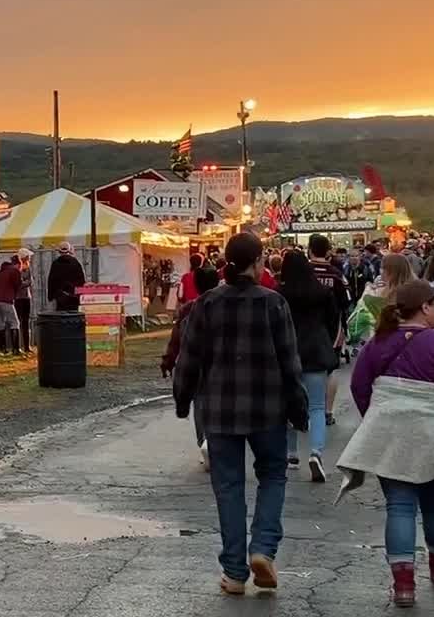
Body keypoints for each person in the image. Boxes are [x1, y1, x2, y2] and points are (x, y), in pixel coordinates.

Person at [174, 232, 304, 596]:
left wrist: (183, 401)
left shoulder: (207, 305)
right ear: (259, 261)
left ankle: (234, 572)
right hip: (267, 408)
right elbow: (290, 363)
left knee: (229, 487)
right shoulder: (274, 304)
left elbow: (190, 359)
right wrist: (299, 408)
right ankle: (262, 548)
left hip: (219, 410)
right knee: (273, 476)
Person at [337, 281, 434, 609]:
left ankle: (403, 585)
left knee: (399, 506)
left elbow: (360, 385)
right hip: (433, 436)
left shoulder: (378, 343)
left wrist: (376, 417)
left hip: (390, 434)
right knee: (433, 501)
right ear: (425, 307)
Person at [277, 251, 339, 482]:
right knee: (316, 406)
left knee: (289, 404)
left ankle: (291, 454)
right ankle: (316, 453)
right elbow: (333, 321)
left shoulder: (279, 293)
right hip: (316, 350)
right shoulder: (322, 293)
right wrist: (328, 343)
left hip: (288, 351)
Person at [161, 266, 222, 469]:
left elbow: (176, 340)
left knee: (199, 402)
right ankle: (215, 441)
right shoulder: (225, 306)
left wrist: (168, 361)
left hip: (194, 361)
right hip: (220, 362)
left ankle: (203, 440)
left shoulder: (188, 309)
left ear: (195, 284)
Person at [308, 234, 350, 426]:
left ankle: (308, 408)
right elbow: (346, 301)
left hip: (305, 326)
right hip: (332, 327)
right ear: (327, 252)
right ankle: (327, 411)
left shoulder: (303, 273)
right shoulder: (336, 274)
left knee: (304, 368)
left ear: (309, 249)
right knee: (331, 369)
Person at [0, 257, 23, 355]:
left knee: (0, 324)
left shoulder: (1, 272)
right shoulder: (14, 271)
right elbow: (18, 284)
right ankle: (16, 349)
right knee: (15, 322)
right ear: (18, 264)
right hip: (6, 300)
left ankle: (2, 349)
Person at [47, 242, 86, 311]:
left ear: (59, 251)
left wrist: (51, 296)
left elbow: (51, 280)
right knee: (73, 316)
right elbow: (81, 279)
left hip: (60, 295)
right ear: (69, 250)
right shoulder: (75, 262)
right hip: (73, 295)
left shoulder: (56, 263)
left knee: (61, 317)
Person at [14, 250, 34, 354]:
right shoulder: (17, 269)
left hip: (26, 297)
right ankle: (17, 346)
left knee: (26, 322)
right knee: (17, 322)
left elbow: (30, 281)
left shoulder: (28, 268)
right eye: (27, 257)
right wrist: (25, 283)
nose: (29, 258)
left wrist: (24, 283)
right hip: (18, 298)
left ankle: (27, 346)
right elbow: (19, 283)